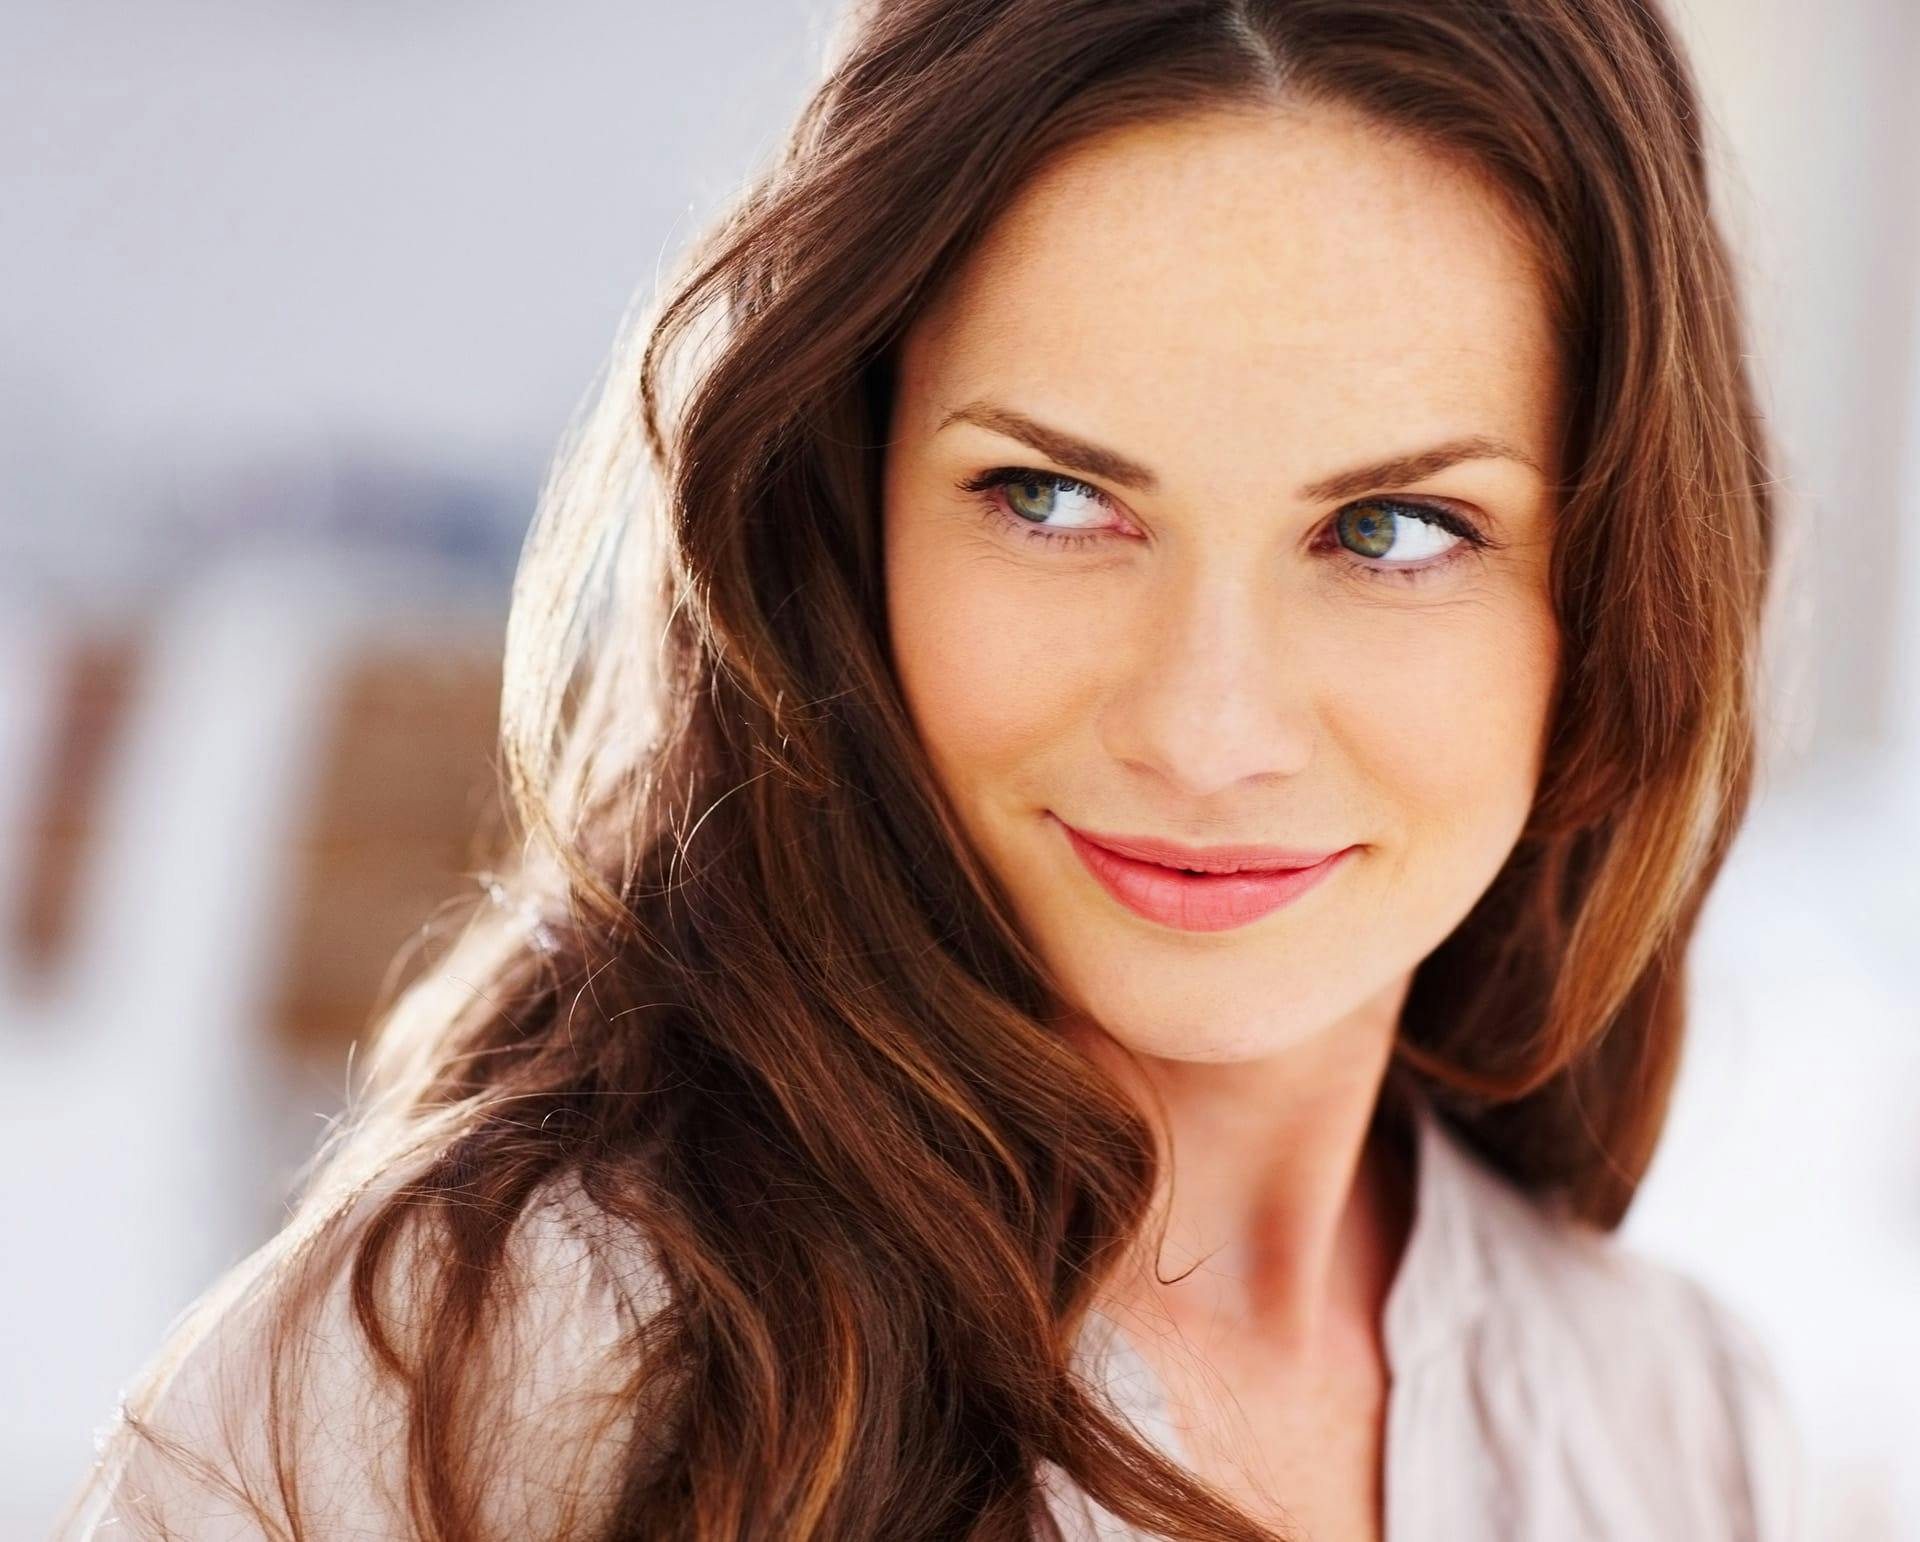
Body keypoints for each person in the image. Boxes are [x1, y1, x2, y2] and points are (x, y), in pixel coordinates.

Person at [56, 1, 1805, 1538]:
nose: (1205, 730)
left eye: (1394, 527)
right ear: (851, 508)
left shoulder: (1678, 1425)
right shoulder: (464, 1385)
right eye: (1051, 497)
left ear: (1619, 587)